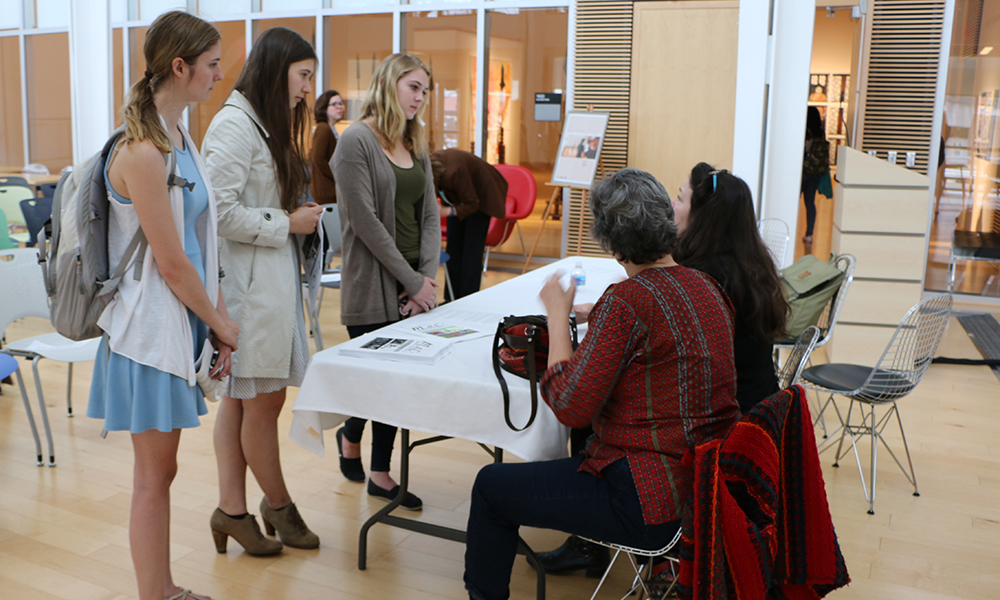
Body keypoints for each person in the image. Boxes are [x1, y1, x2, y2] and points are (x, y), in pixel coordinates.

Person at [463, 167, 741, 600]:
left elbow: (570, 405)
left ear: (611, 244)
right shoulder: (707, 287)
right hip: (707, 489)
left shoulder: (627, 301)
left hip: (649, 500)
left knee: (490, 487)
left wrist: (558, 315)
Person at [86, 11, 237, 600]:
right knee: (154, 475)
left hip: (182, 324)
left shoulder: (179, 138)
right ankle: (158, 594)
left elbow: (204, 244)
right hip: (146, 336)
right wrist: (219, 322)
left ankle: (163, 588)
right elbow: (172, 265)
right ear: (180, 67)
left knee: (162, 472)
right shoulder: (142, 152)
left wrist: (219, 325)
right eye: (212, 64)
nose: (219, 75)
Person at [201, 26, 323, 555]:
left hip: (266, 285)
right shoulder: (233, 127)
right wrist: (288, 223)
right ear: (278, 71)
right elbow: (218, 214)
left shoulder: (262, 125)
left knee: (241, 405)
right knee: (262, 406)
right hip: (251, 291)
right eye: (303, 76)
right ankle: (278, 505)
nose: (307, 90)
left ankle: (231, 511)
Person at [332, 53, 441, 510]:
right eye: (414, 87)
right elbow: (366, 223)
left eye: (425, 91)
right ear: (390, 83)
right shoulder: (356, 141)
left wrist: (426, 280)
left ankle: (365, 456)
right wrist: (412, 282)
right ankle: (369, 459)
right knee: (380, 384)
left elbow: (431, 213)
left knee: (390, 384)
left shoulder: (413, 140)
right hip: (373, 283)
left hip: (414, 283)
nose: (420, 98)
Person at [674, 164, 789, 414]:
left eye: (680, 198)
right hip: (763, 406)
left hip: (730, 423)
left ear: (701, 216)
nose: (673, 205)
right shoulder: (753, 266)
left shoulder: (703, 279)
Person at [431, 148, 507, 299]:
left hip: (483, 196)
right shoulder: (428, 166)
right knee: (454, 248)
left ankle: (468, 298)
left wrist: (448, 212)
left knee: (471, 251)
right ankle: (451, 298)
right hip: (458, 195)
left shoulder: (453, 172)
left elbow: (473, 204)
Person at [801, 106, 829, 246]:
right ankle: (809, 234)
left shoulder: (805, 131)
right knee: (810, 203)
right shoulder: (820, 132)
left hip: (804, 170)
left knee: (794, 201)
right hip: (816, 172)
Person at [310, 89, 345, 204]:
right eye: (334, 104)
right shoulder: (323, 128)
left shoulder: (330, 129)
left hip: (330, 192)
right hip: (327, 192)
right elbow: (318, 158)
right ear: (324, 108)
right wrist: (336, 176)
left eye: (340, 103)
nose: (339, 107)